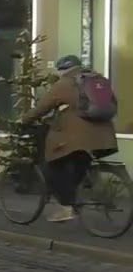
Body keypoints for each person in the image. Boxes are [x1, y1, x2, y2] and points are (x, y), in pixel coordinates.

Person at [21, 54, 118, 222]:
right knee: (79, 164)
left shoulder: (64, 83)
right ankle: (79, 197)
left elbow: (42, 107)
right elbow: (113, 104)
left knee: (52, 165)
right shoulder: (98, 80)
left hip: (77, 139)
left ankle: (66, 208)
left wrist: (24, 120)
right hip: (104, 136)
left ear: (63, 70)